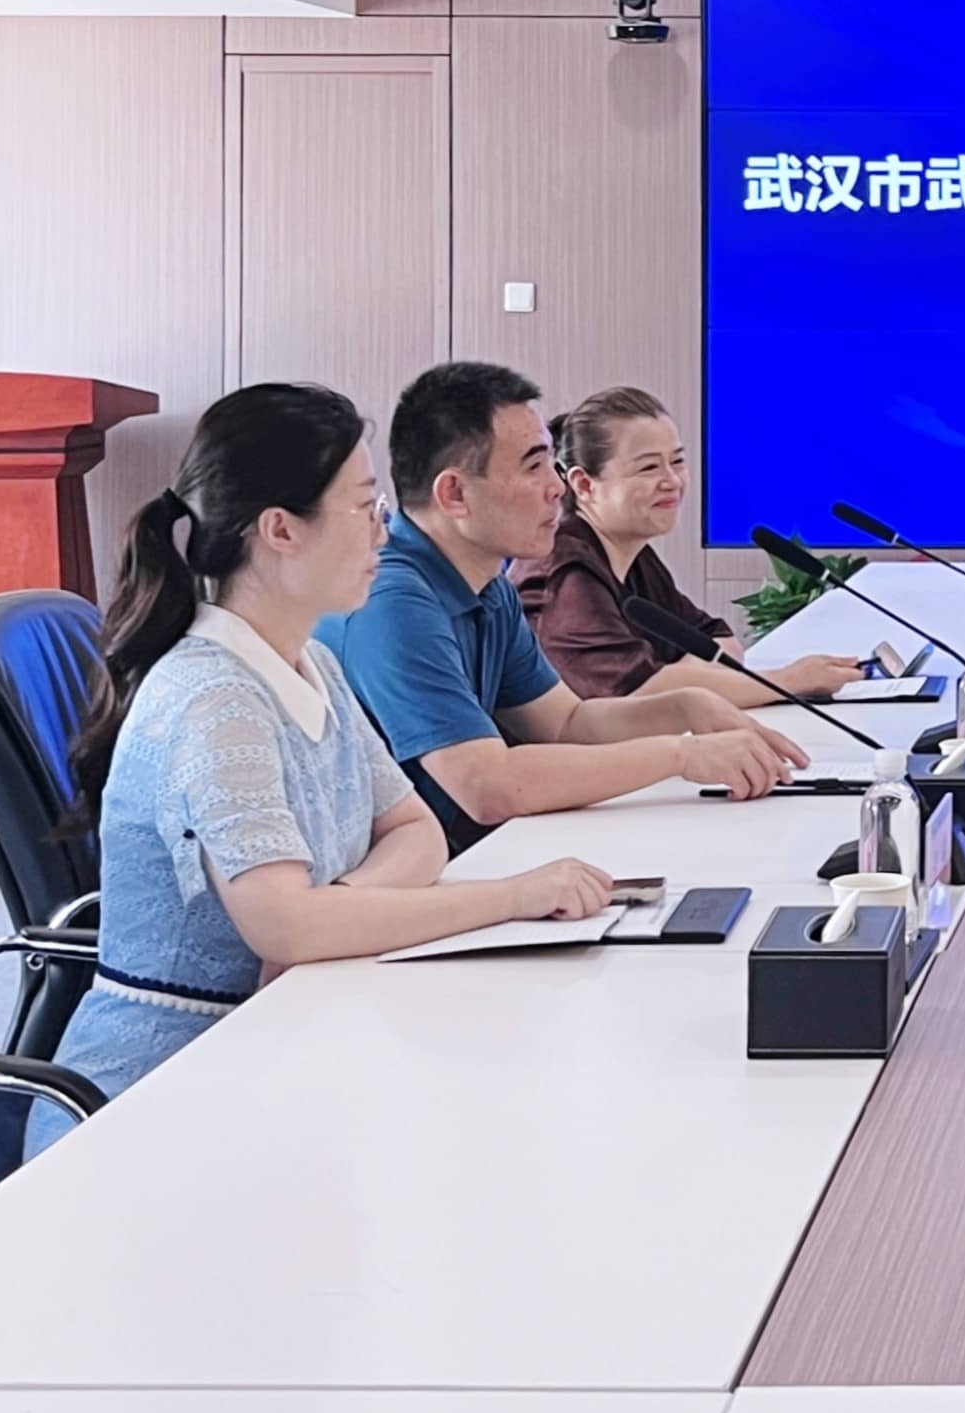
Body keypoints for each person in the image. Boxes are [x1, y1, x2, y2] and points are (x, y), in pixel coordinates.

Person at [45, 384, 624, 1127]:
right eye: (362, 508)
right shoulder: (214, 697)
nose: (382, 532)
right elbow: (284, 927)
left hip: (292, 1044)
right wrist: (516, 896)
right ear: (281, 530)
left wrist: (342, 909)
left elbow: (414, 831)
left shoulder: (312, 663)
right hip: (163, 1096)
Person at [323, 361, 801, 845]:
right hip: (402, 876)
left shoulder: (488, 586)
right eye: (533, 467)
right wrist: (681, 755)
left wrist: (687, 707)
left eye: (552, 463)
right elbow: (487, 785)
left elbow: (566, 723)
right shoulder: (392, 600)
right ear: (455, 493)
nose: (557, 487)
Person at [518, 386, 867, 712]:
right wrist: (788, 681)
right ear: (583, 484)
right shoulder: (565, 572)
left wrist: (677, 679)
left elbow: (719, 641)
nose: (672, 481)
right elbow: (636, 694)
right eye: (649, 467)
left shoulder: (631, 553)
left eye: (677, 462)